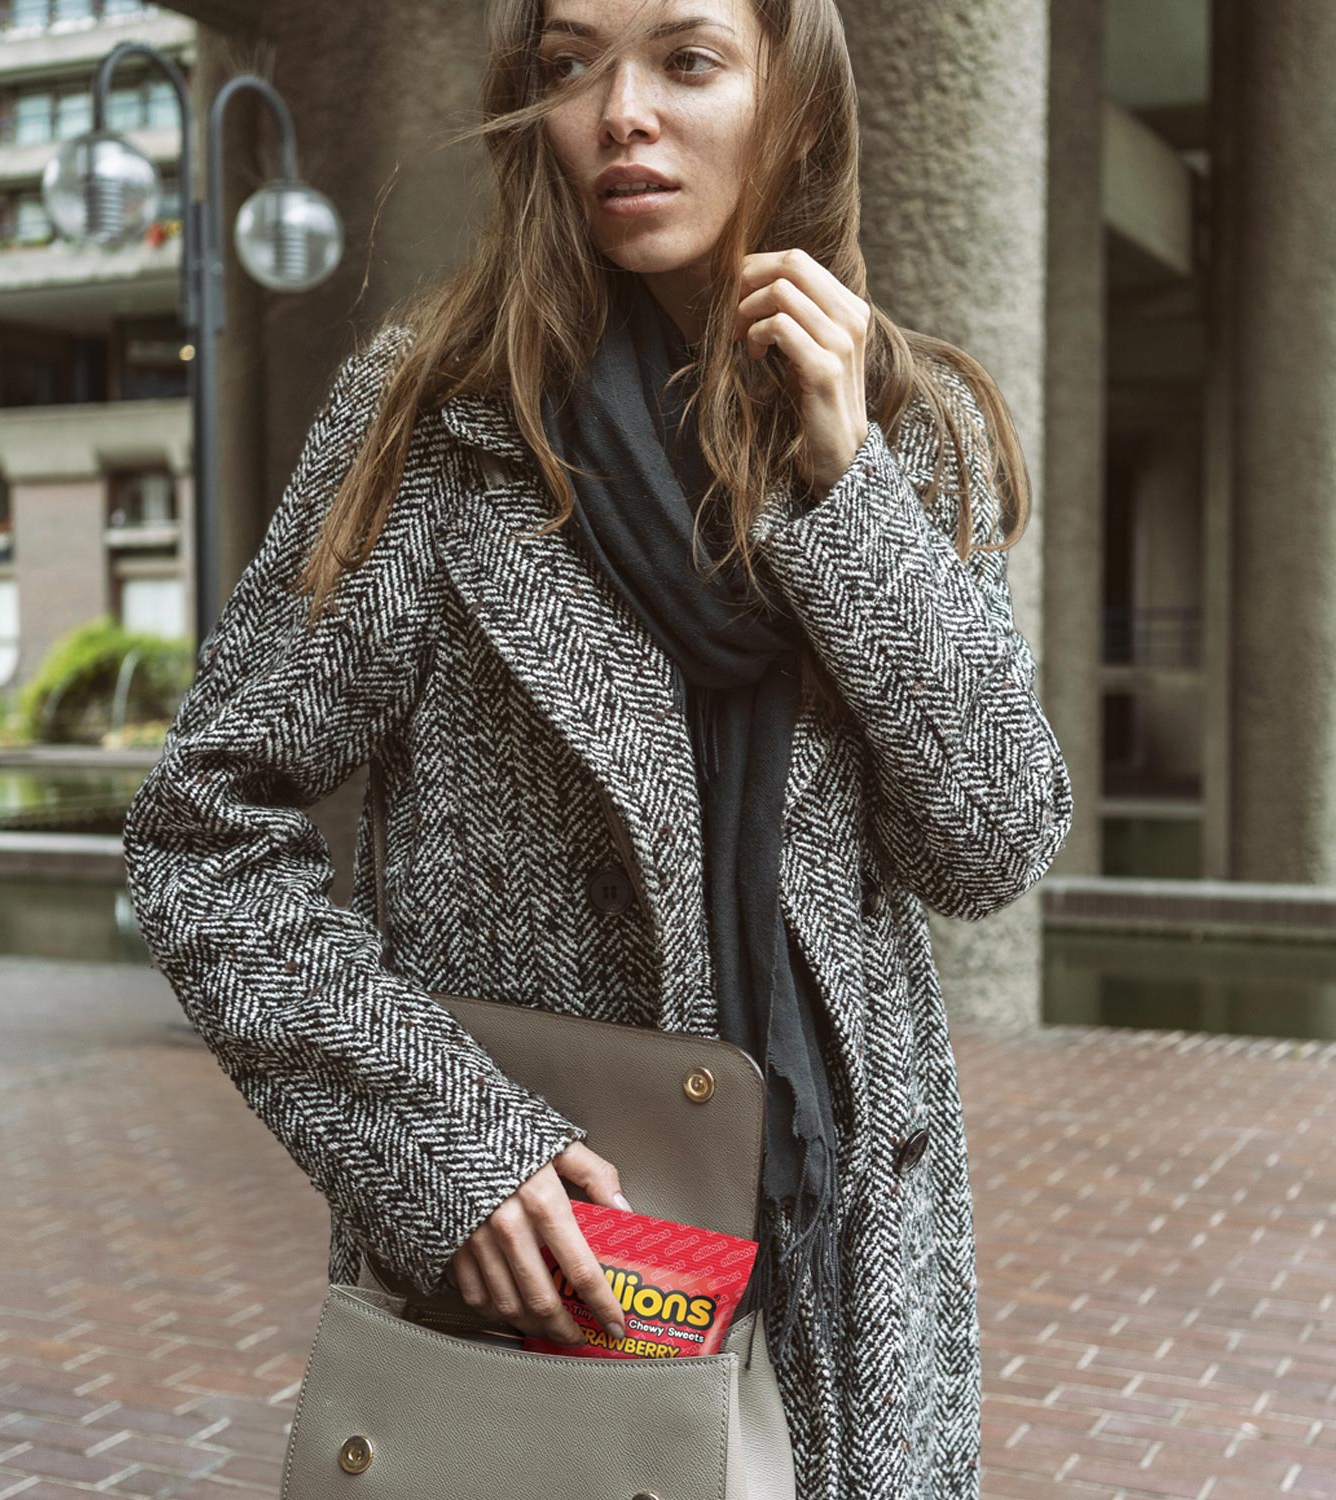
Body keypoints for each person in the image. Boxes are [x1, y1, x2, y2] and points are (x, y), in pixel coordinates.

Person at [122, 1, 1073, 1496]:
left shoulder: (911, 426)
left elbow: (990, 847)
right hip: (559, 1255)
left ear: (793, 106)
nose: (620, 111)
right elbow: (202, 835)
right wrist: (448, 1151)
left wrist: (846, 489)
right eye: (572, 66)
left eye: (687, 61)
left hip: (847, 1282)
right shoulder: (437, 418)